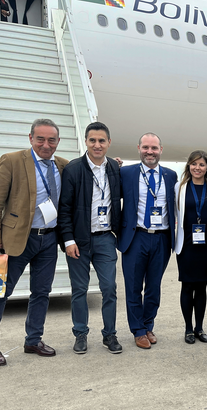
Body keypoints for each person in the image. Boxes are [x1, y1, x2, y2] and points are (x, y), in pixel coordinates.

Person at [0, 118, 67, 366]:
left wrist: (114, 166)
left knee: (41, 292)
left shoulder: (62, 165)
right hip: (16, 239)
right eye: (40, 139)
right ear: (31, 138)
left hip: (49, 239)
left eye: (51, 140)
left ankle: (33, 340)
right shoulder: (12, 161)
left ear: (58, 142)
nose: (46, 144)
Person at [57, 122, 122, 354]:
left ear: (109, 143)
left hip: (105, 238)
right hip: (79, 241)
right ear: (86, 141)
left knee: (109, 288)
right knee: (79, 289)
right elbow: (64, 208)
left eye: (101, 141)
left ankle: (110, 334)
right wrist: (68, 240)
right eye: (92, 140)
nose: (97, 145)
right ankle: (81, 333)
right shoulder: (74, 169)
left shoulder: (114, 168)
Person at [117, 133, 177, 349]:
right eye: (145, 147)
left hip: (161, 238)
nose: (149, 152)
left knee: (153, 287)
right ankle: (138, 330)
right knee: (133, 287)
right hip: (136, 237)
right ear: (138, 148)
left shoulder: (171, 176)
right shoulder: (125, 173)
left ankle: (148, 324)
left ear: (161, 149)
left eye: (154, 148)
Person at [174, 150, 207, 344]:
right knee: (187, 286)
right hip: (186, 245)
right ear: (188, 166)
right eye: (194, 164)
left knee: (202, 287)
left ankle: (199, 327)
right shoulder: (180, 187)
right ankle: (188, 329)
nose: (197, 168)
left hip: (206, 245)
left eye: (201, 165)